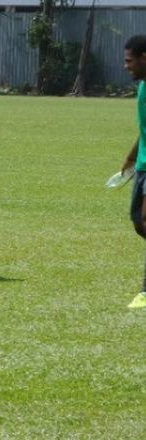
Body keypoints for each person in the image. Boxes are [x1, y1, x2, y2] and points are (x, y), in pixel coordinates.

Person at [120, 35, 146, 308]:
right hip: (142, 164)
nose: (126, 66)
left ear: (144, 58)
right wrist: (130, 157)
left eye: (129, 61)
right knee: (138, 221)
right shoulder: (142, 88)